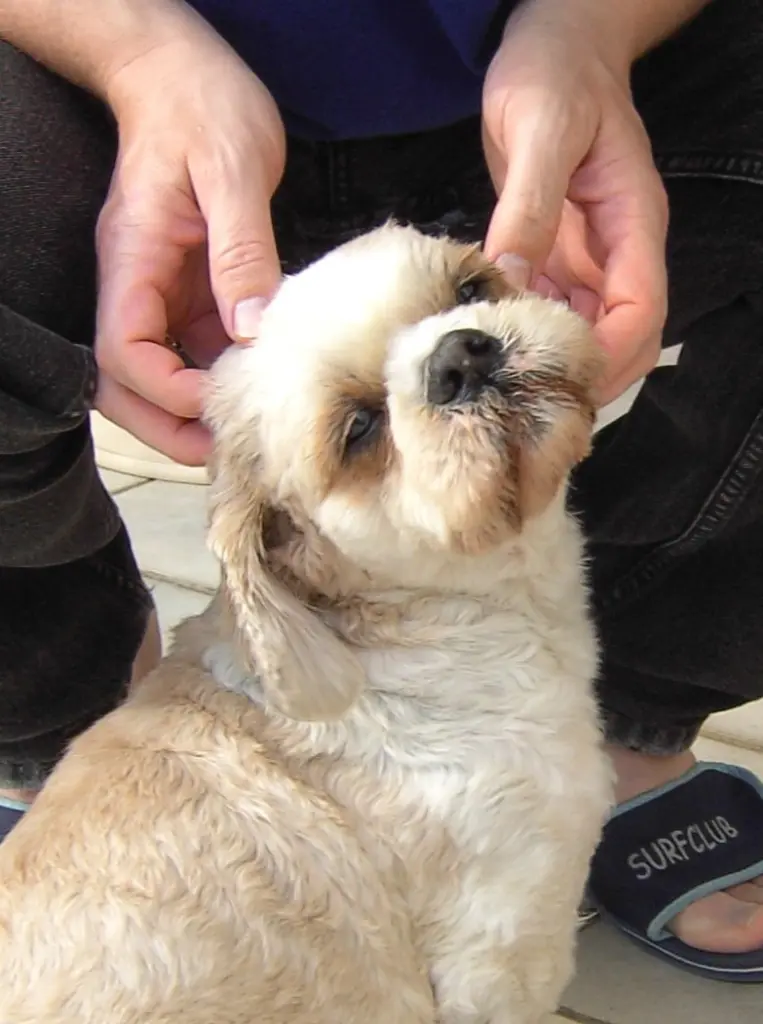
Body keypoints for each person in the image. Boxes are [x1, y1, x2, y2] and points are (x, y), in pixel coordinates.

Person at [1, 0, 763, 983]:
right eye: (363, 427)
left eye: (468, 296)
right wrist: (136, 52)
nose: (464, 353)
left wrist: (592, 29)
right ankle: (63, 714)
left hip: (538, 76)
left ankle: (637, 713)